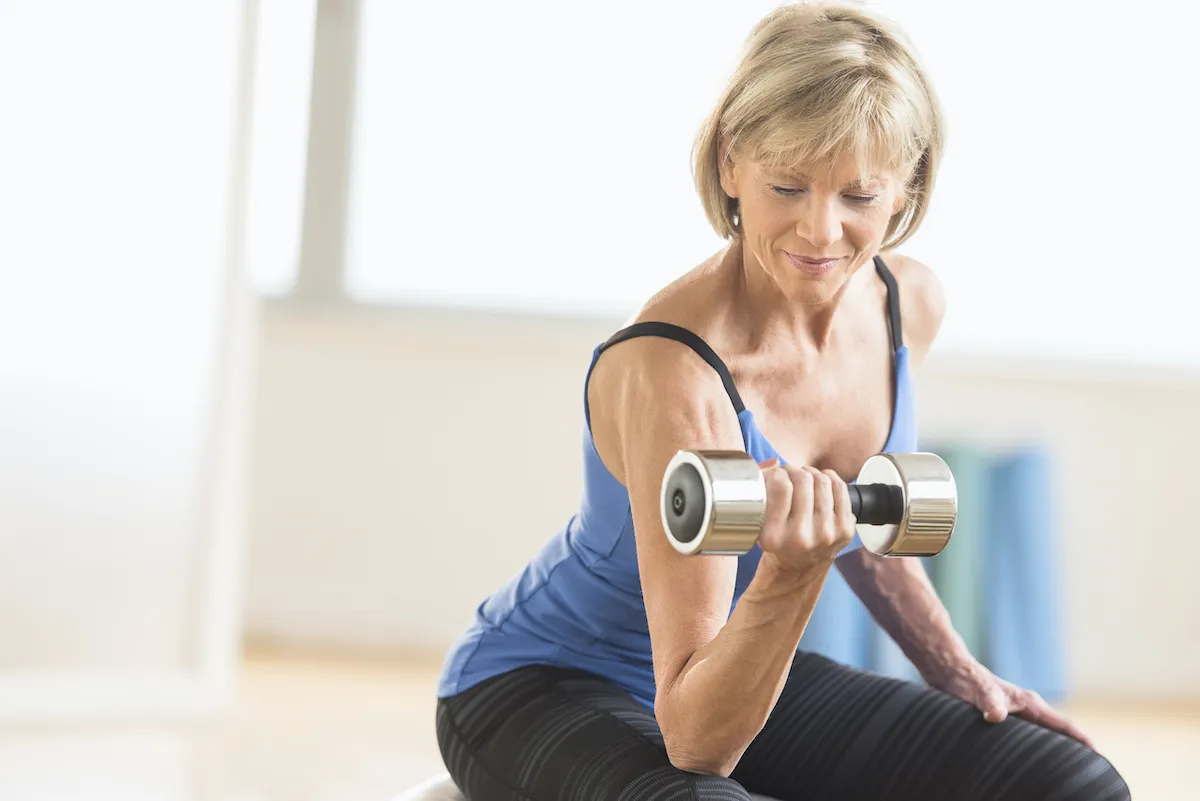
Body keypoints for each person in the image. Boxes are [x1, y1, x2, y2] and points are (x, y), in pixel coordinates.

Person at [434, 3, 1129, 799]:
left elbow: (865, 521)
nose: (820, 230)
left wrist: (964, 672)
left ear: (907, 187)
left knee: (1069, 782)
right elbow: (697, 741)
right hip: (545, 685)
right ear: (732, 161)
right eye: (787, 185)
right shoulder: (672, 370)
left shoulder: (910, 304)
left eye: (859, 196)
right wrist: (793, 573)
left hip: (741, 660)